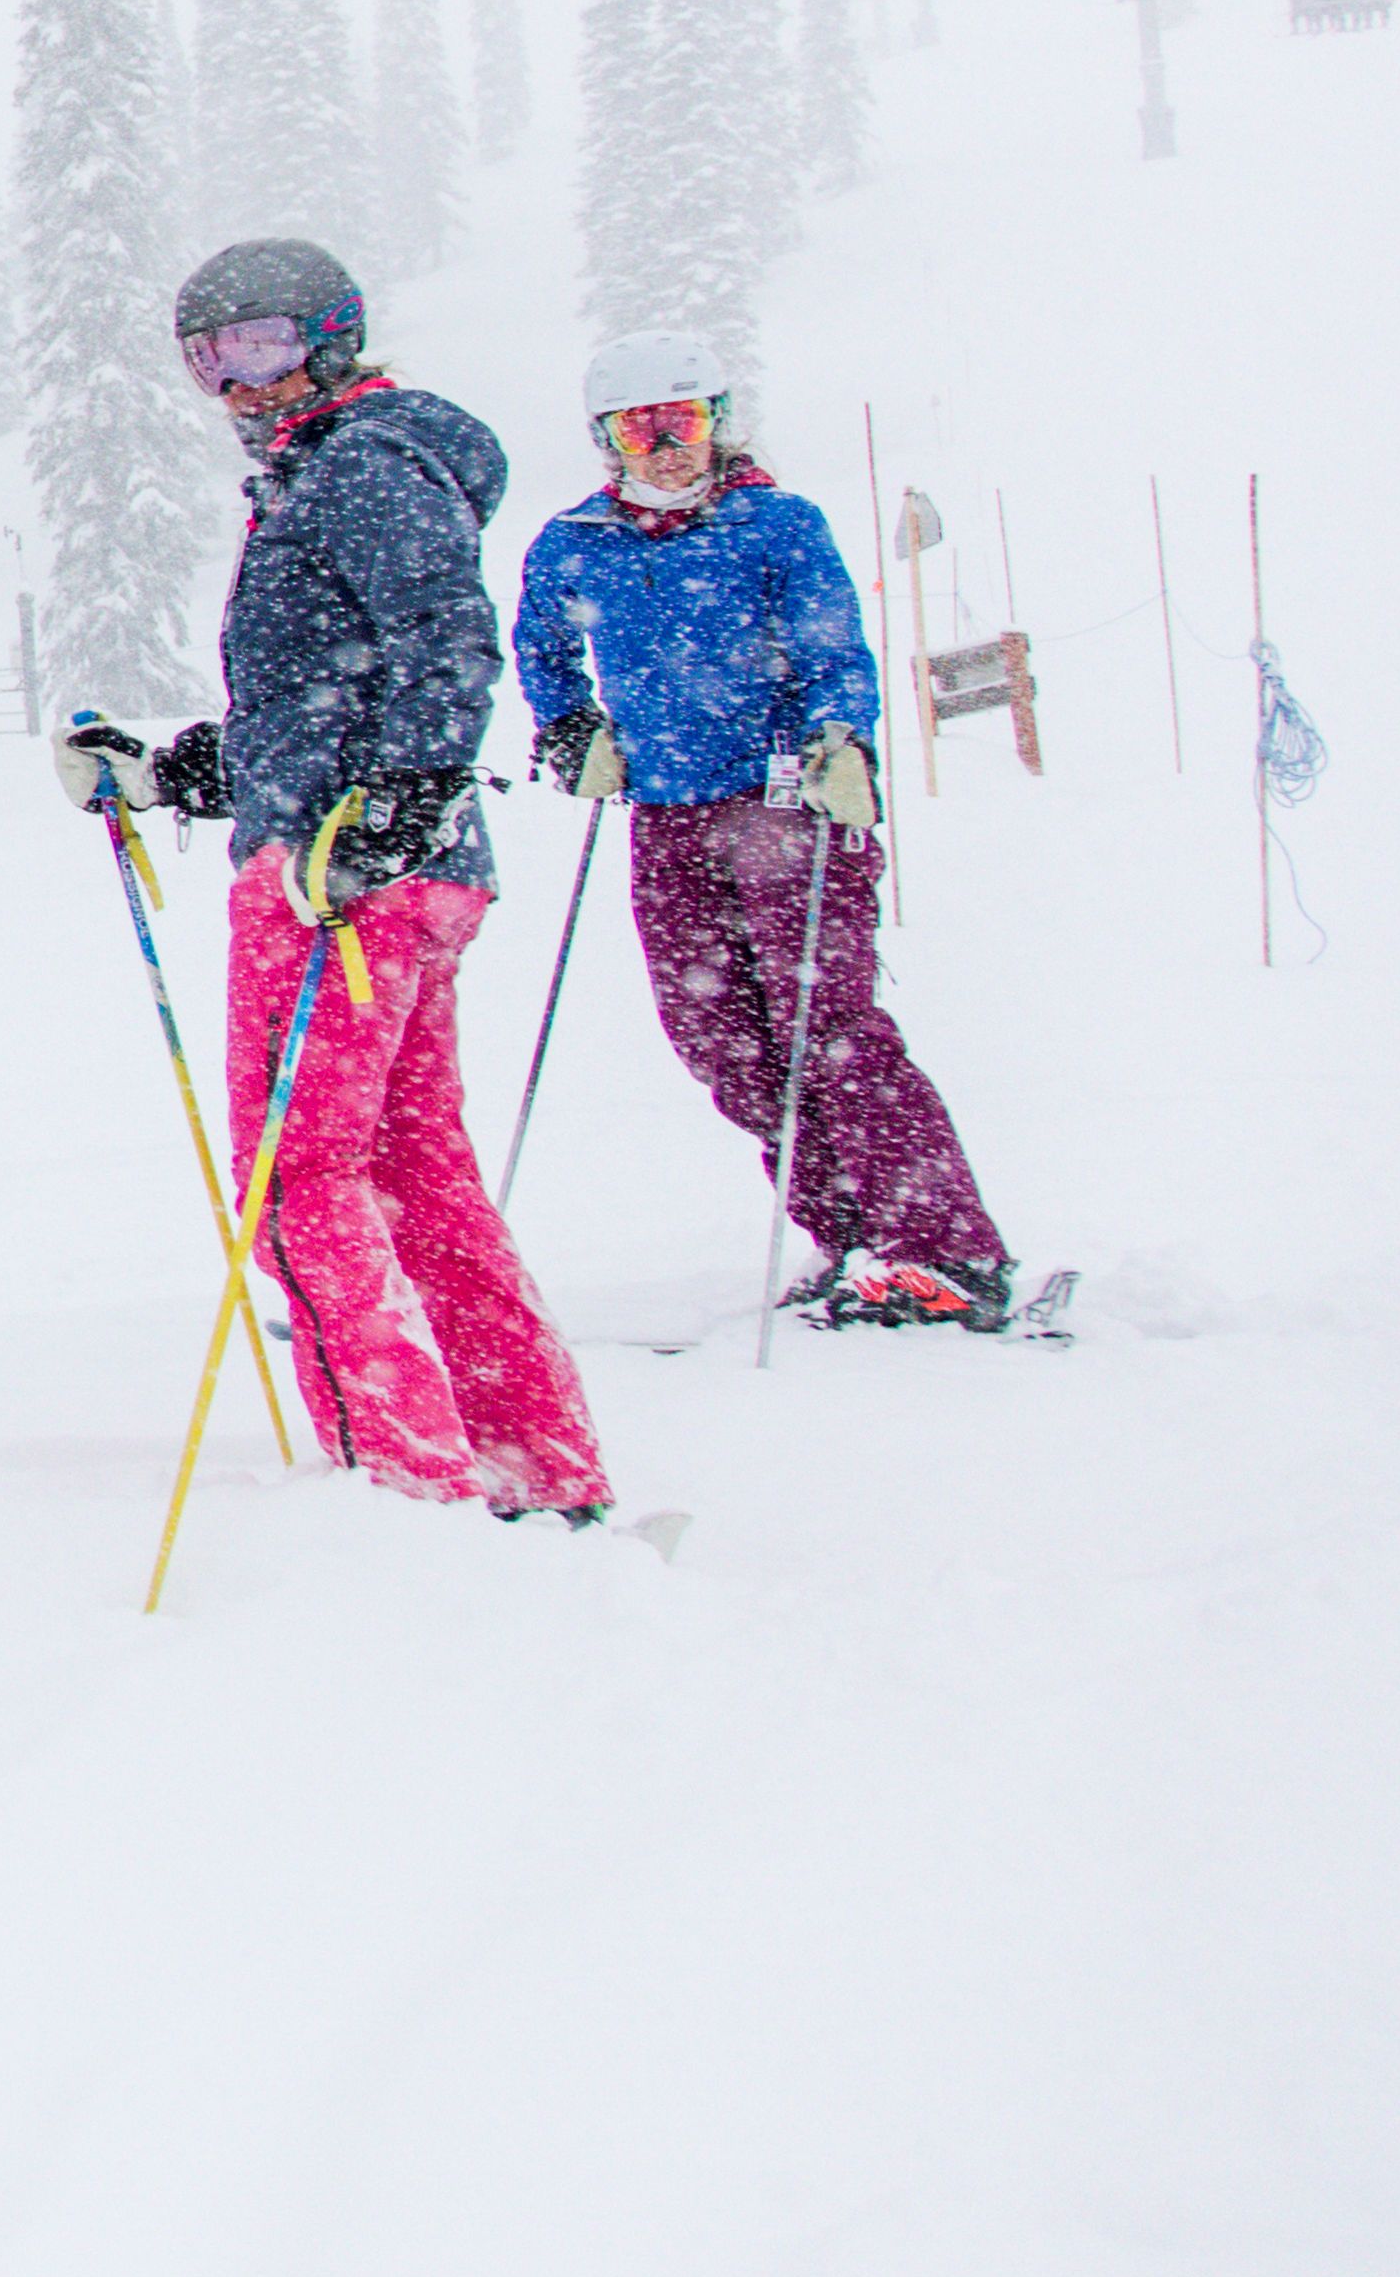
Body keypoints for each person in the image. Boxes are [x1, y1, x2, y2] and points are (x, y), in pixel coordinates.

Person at [63, 241, 609, 1522]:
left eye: (254, 345)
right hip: (377, 865)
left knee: (298, 1175)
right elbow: (317, 701)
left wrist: (398, 798)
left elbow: (442, 635)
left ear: (331, 332)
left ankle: (410, 1474)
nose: (233, 383)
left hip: (336, 884)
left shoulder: (359, 464)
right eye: (205, 360)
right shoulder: (338, 469)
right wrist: (166, 774)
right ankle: (529, 1454)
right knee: (415, 1172)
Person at [510, 331, 1024, 1329]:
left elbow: (832, 641)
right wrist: (572, 730)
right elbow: (538, 644)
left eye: (685, 420)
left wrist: (841, 739)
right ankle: (848, 1232)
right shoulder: (578, 543)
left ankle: (940, 1247)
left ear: (718, 422)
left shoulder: (773, 524)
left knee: (825, 1029)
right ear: (607, 438)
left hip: (782, 804)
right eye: (640, 426)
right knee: (717, 1037)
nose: (666, 445)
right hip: (665, 814)